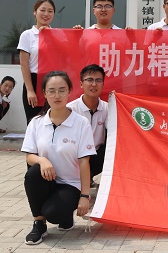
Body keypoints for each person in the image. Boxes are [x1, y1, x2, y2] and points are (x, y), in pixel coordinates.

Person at [21, 71, 96, 245]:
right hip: (47, 179)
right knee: (33, 173)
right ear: (44, 93)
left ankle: (65, 214)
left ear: (70, 91)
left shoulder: (81, 123)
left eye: (62, 90)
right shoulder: (36, 122)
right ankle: (39, 224)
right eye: (52, 91)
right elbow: (29, 156)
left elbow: (84, 161)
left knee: (54, 214)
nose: (57, 95)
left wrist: (85, 196)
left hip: (71, 184)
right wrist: (41, 160)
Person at [67, 64, 108, 187]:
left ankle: (91, 179)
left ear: (103, 84)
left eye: (98, 80)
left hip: (96, 156)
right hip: (74, 156)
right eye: (89, 80)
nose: (94, 84)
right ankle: (78, 180)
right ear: (81, 84)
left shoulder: (108, 108)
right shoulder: (70, 109)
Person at [17, 0, 56, 124]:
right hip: (33, 81)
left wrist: (77, 33)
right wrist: (30, 90)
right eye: (42, 10)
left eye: (50, 11)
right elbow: (24, 65)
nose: (46, 14)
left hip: (53, 82)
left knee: (52, 122)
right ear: (35, 12)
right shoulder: (27, 35)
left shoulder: (57, 35)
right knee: (34, 122)